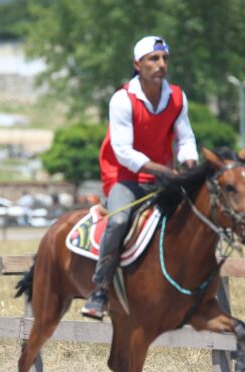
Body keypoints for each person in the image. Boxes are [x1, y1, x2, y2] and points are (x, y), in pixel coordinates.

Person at [81, 36, 199, 320]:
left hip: (163, 177)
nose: (161, 64)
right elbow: (123, 152)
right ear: (137, 64)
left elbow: (186, 139)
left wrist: (190, 163)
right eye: (153, 59)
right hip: (124, 178)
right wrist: (165, 171)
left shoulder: (178, 97)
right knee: (120, 220)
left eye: (165, 59)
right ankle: (100, 290)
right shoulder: (122, 99)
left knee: (199, 214)